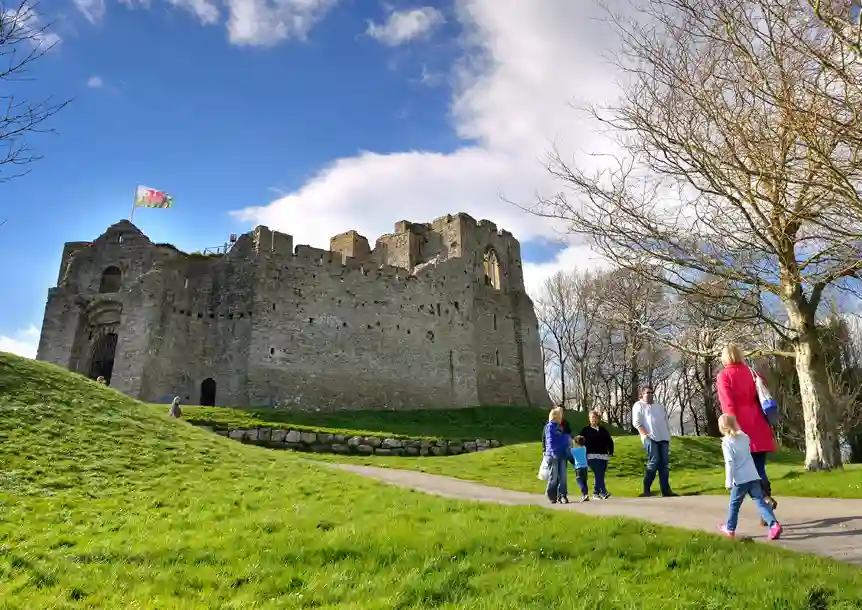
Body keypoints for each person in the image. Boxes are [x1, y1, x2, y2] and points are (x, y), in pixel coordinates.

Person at [716, 343, 778, 517]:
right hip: (759, 423)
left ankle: (765, 501)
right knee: (760, 468)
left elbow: (728, 405)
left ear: (725, 357)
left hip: (741, 426)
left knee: (747, 472)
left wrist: (730, 430)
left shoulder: (724, 376)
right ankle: (767, 502)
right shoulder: (752, 372)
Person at [718, 414, 783, 540]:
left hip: (740, 479)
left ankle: (730, 528)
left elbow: (730, 463)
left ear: (721, 428)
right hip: (753, 475)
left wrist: (728, 482)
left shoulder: (726, 443)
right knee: (760, 502)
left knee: (734, 505)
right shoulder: (744, 437)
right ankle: (774, 525)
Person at [632, 386, 677, 497]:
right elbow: (637, 422)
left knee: (664, 464)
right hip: (650, 438)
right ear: (642, 394)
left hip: (663, 438)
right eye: (647, 393)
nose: (650, 394)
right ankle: (646, 489)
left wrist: (668, 435)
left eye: (652, 393)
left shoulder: (659, 407)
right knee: (654, 461)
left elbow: (665, 421)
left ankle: (666, 490)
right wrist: (645, 435)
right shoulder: (639, 405)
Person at [580, 410, 615, 499]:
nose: (594, 419)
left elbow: (609, 440)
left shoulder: (603, 430)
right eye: (592, 417)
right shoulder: (586, 430)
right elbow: (580, 440)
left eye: (595, 417)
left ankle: (596, 493)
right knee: (598, 472)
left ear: (598, 419)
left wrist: (611, 451)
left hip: (603, 456)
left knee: (600, 475)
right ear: (589, 419)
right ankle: (604, 491)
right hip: (591, 455)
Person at [544, 407, 571, 504]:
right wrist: (553, 452)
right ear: (555, 416)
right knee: (553, 477)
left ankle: (563, 495)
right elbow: (550, 441)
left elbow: (561, 440)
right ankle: (551, 495)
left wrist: (566, 439)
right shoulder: (550, 426)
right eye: (560, 415)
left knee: (563, 477)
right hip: (553, 455)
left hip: (562, 454)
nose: (562, 416)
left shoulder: (560, 427)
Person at [571, 435, 590, 502]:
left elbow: (569, 451)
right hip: (585, 467)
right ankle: (585, 495)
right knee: (585, 482)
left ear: (576, 443)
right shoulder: (584, 448)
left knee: (579, 481)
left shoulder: (574, 450)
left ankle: (584, 494)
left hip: (578, 468)